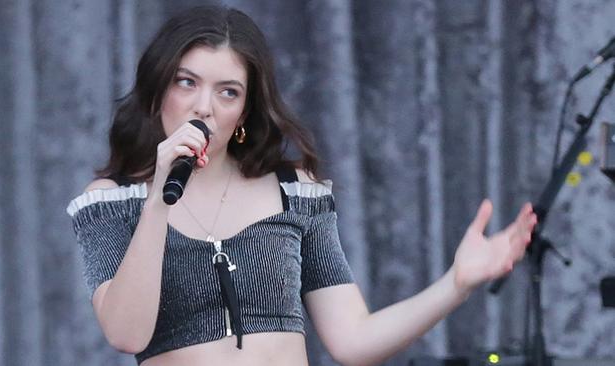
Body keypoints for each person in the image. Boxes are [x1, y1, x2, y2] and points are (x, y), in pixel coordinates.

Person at [66, 5, 537, 366]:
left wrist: (455, 284)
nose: (203, 107)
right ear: (158, 91)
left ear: (245, 111)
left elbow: (353, 339)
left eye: (227, 91)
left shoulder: (295, 191)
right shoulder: (115, 202)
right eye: (186, 82)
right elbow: (126, 334)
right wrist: (158, 201)